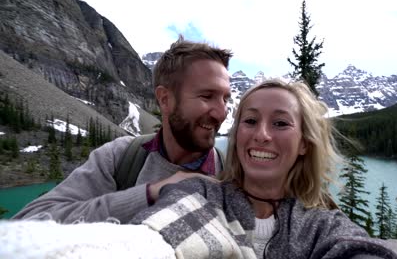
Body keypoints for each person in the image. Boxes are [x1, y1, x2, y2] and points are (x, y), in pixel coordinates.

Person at [130, 79, 397, 258]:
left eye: (280, 123)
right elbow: (150, 239)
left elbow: (355, 249)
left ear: (304, 143)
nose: (262, 135)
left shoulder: (320, 224)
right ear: (237, 135)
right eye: (250, 120)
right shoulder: (201, 196)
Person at [12, 36, 233, 224]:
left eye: (225, 99)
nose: (221, 113)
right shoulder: (121, 158)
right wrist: (152, 193)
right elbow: (28, 220)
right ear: (165, 99)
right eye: (207, 96)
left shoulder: (231, 172)